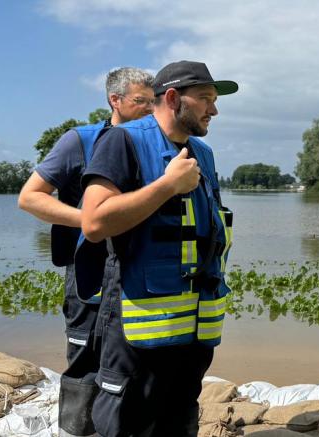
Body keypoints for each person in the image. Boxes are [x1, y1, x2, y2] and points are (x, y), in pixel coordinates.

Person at [78, 60, 236, 437]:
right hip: (139, 332)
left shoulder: (204, 153)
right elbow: (94, 223)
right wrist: (166, 186)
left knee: (180, 422)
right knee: (126, 425)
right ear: (171, 97)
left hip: (194, 333)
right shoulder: (123, 141)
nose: (213, 109)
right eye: (205, 99)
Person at [17, 67, 154, 437]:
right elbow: (29, 197)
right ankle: (76, 430)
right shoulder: (81, 140)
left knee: (132, 362)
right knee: (84, 358)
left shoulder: (158, 145)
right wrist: (93, 219)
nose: (149, 108)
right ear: (115, 100)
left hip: (140, 273)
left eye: (154, 101)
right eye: (141, 101)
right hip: (91, 270)